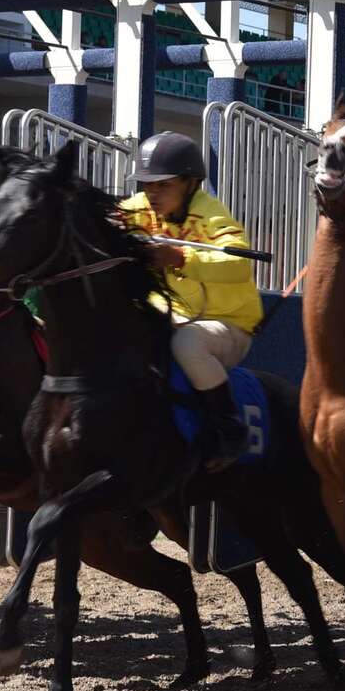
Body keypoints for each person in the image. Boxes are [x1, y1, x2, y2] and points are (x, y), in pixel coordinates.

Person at [119, 132, 262, 472]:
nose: (151, 193)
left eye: (163, 185)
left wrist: (180, 258)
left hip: (228, 325)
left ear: (190, 183)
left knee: (187, 343)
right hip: (171, 316)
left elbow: (240, 264)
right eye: (146, 185)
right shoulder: (136, 210)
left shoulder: (213, 217)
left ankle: (229, 428)